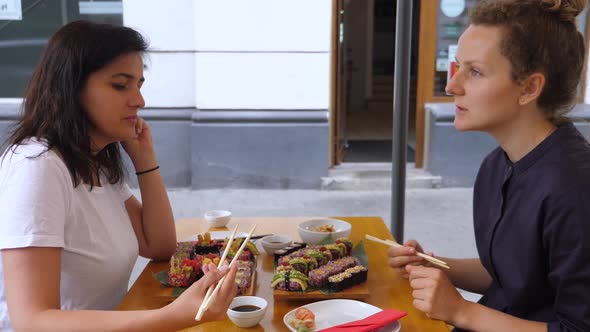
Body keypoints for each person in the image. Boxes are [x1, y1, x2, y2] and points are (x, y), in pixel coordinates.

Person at [0, 20, 238, 331]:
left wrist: (145, 161)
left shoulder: (95, 161)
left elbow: (159, 245)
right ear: (71, 87)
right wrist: (175, 316)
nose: (139, 100)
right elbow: (32, 320)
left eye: (139, 84)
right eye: (120, 84)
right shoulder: (37, 165)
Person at [388, 0, 590, 331]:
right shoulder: (496, 166)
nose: (452, 85)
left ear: (529, 88)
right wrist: (433, 264)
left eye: (475, 71)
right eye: (457, 67)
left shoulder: (576, 188)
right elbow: (510, 273)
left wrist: (461, 311)